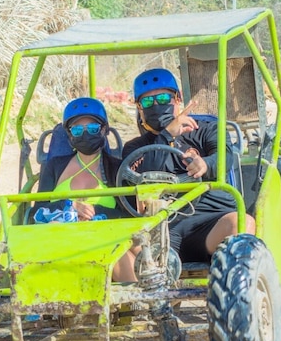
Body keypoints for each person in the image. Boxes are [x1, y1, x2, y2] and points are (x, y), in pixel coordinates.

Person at [122, 68, 255, 264]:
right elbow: (136, 179)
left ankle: (236, 289)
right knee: (122, 242)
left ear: (177, 98)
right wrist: (166, 135)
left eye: (164, 98)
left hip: (211, 221)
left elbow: (225, 157)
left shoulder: (206, 129)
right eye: (148, 102)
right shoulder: (135, 147)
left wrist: (205, 164)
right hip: (160, 225)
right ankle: (146, 292)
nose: (157, 106)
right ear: (139, 108)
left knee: (242, 223)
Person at [33, 97, 136, 282]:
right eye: (78, 130)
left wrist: (95, 212)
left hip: (106, 239)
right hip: (62, 237)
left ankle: (139, 307)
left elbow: (128, 215)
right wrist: (70, 207)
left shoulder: (117, 169)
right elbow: (35, 211)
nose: (86, 134)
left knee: (123, 254)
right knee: (54, 230)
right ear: (69, 134)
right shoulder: (55, 166)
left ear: (104, 130)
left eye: (93, 129)